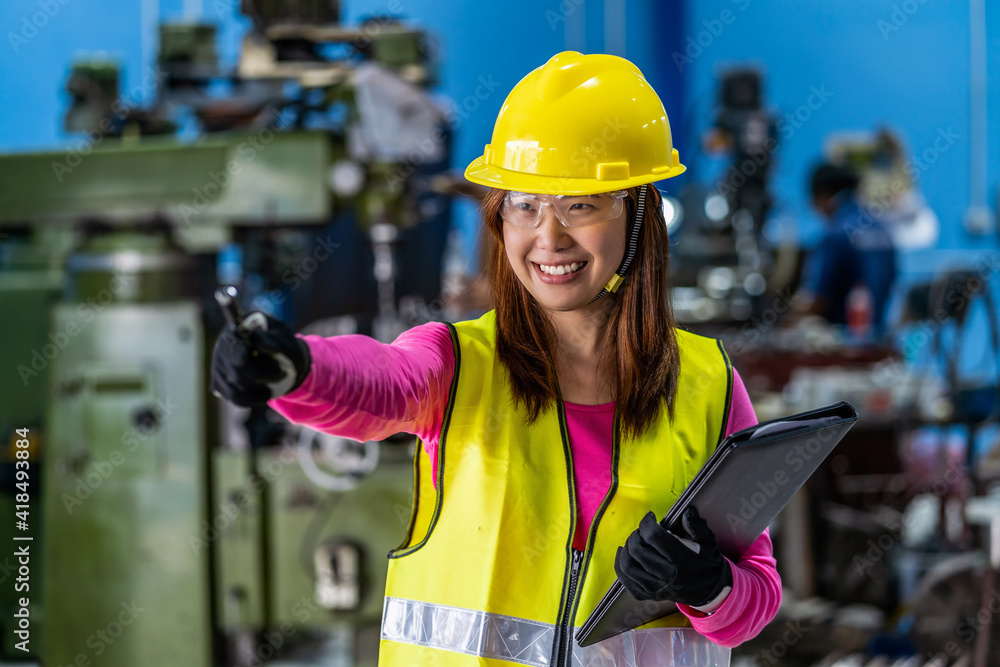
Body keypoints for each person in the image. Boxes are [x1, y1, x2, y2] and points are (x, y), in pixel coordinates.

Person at [211, 51, 781, 666]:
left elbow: (756, 596)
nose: (549, 237)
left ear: (638, 215)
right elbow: (379, 383)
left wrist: (708, 586)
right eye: (525, 204)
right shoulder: (458, 363)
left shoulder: (707, 384)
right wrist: (296, 368)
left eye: (581, 205)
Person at [796, 163, 897, 339]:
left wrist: (782, 315)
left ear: (824, 196)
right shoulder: (883, 230)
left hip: (844, 344)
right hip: (879, 341)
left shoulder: (835, 235)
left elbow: (818, 302)